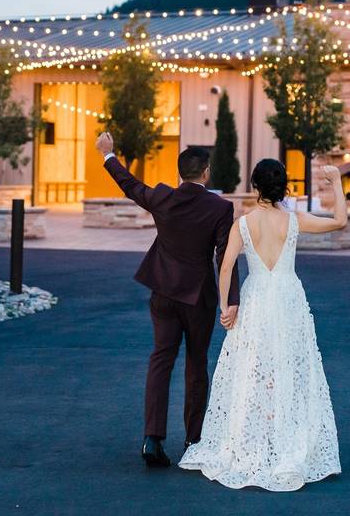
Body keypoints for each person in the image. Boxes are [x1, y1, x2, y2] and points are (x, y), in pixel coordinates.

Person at [179, 158, 345, 491]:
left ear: (255, 186)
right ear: (283, 186)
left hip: (255, 298)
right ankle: (285, 437)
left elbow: (224, 268)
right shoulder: (295, 220)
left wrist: (226, 306)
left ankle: (253, 437)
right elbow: (340, 221)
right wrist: (336, 181)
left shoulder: (242, 223)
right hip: (287, 298)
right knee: (290, 367)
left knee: (252, 367)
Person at [95, 132, 240, 468]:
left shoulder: (162, 197)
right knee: (196, 365)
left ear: (179, 174)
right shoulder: (221, 208)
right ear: (206, 173)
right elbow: (225, 256)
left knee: (161, 360)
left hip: (162, 292)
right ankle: (193, 440)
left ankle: (152, 438)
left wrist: (108, 155)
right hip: (197, 298)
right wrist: (231, 299)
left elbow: (129, 185)